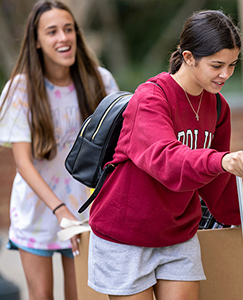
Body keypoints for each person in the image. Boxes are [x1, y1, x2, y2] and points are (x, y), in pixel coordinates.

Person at [87, 10, 243, 300]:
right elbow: (166, 161)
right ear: (189, 57)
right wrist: (219, 160)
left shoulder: (218, 108)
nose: (226, 74)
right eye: (217, 65)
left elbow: (218, 185)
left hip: (177, 233)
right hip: (126, 234)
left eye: (232, 65)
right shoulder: (151, 98)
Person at [0, 1, 119, 299]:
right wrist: (59, 210)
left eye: (68, 29)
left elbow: (117, 149)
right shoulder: (20, 89)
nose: (63, 38)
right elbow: (23, 163)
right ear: (37, 41)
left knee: (79, 294)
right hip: (37, 211)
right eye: (51, 31)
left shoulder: (100, 81)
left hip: (84, 212)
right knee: (41, 295)